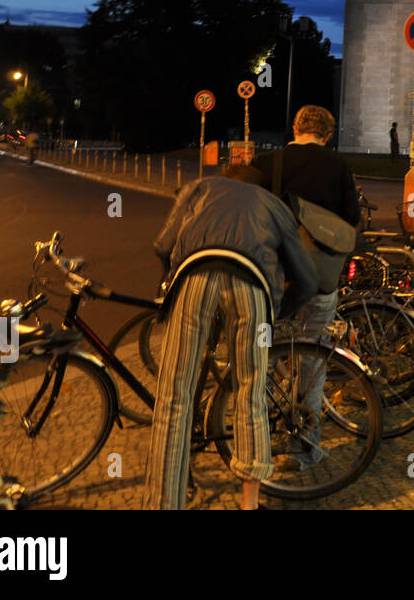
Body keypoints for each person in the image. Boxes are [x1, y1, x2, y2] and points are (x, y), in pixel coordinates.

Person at [143, 164, 319, 510]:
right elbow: (307, 280)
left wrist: (169, 283)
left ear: (226, 178)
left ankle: (163, 504)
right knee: (250, 392)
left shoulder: (199, 188)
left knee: (173, 397)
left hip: (194, 277)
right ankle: (249, 503)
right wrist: (276, 312)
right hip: (251, 287)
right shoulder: (274, 205)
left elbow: (162, 245)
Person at [252, 106, 360, 465]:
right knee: (313, 366)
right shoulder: (338, 166)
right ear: (327, 135)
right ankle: (304, 449)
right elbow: (352, 220)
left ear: (295, 128)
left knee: (264, 359)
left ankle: (258, 446)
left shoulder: (269, 164)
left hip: (277, 278)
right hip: (320, 280)